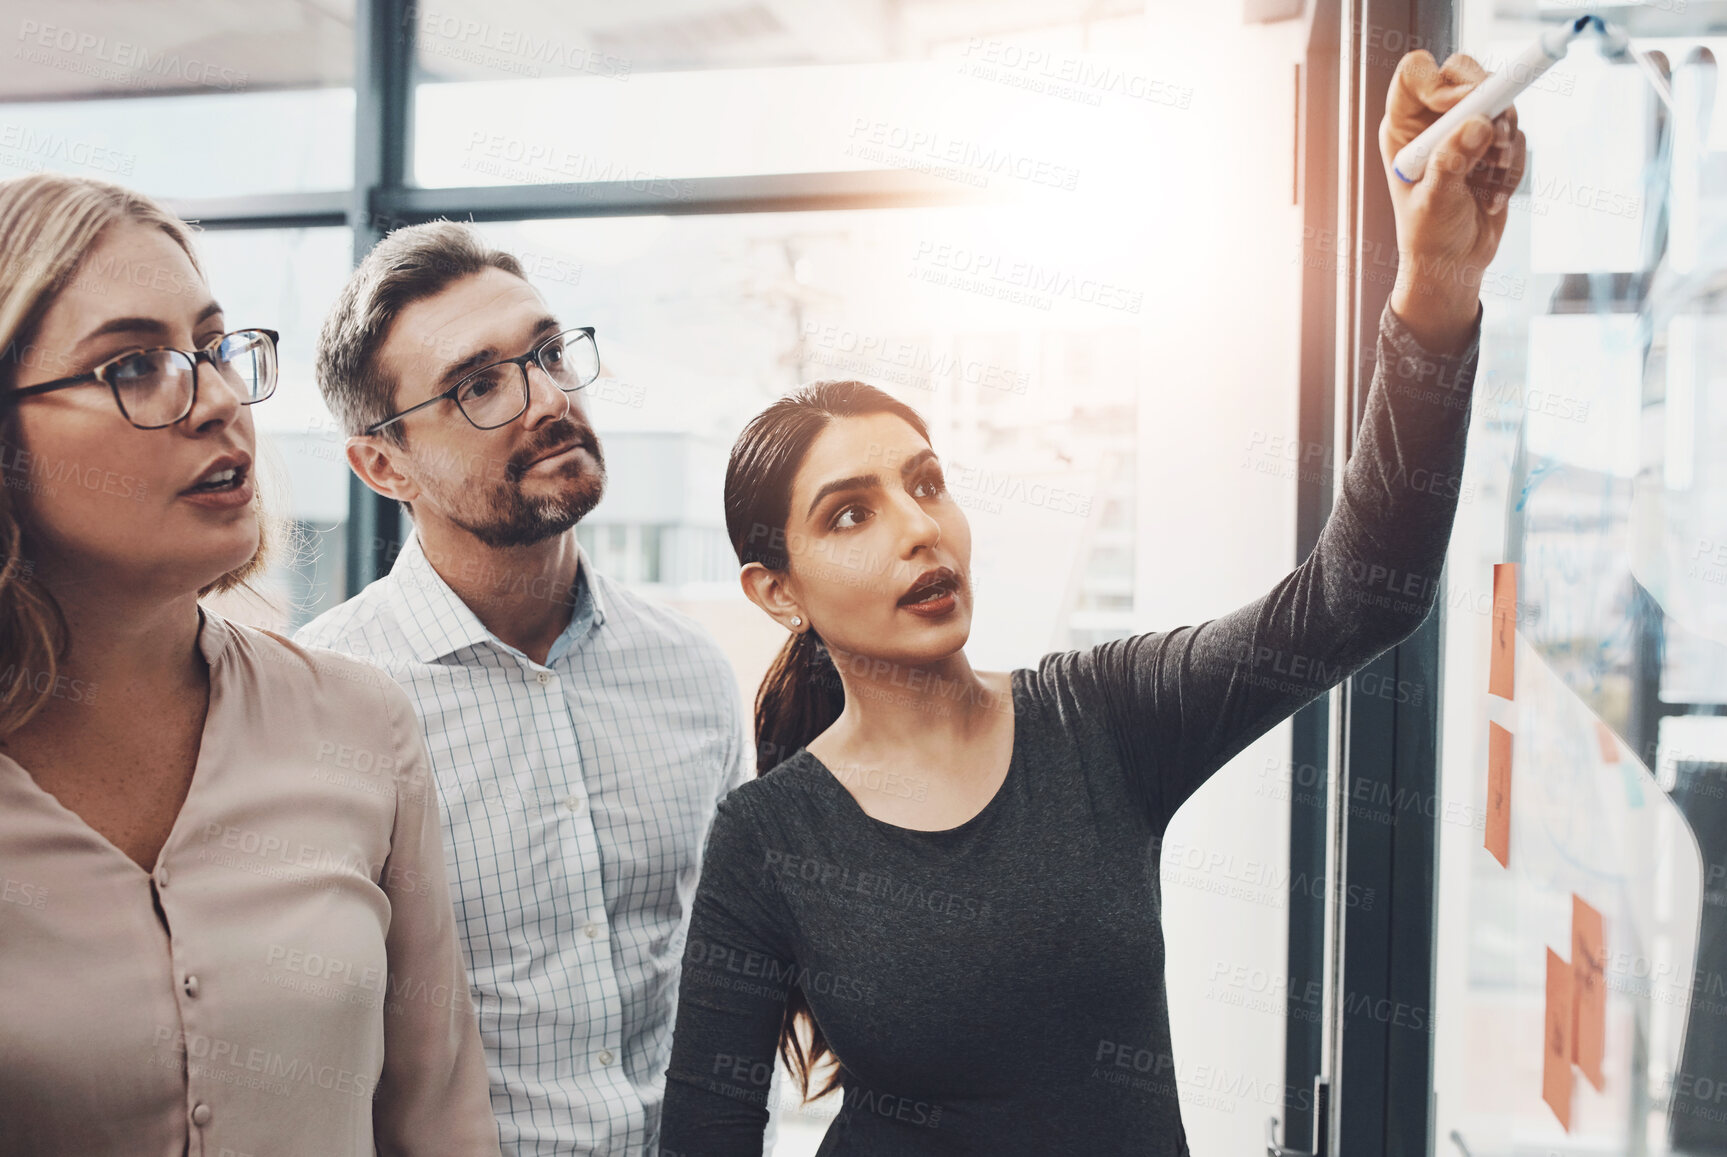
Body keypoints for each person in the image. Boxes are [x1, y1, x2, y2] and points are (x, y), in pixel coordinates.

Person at [659, 49, 1527, 1155]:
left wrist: (1436, 285)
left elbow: (1362, 593)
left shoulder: (1099, 720)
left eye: (925, 482)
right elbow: (703, 1137)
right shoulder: (768, 837)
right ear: (774, 592)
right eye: (849, 513)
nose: (919, 525)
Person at [0, 173, 499, 1156]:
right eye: (137, 365)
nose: (221, 401)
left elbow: (440, 1121)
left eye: (215, 349)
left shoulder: (360, 724)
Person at [294, 221, 754, 1155]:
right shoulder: (316, 706)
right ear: (384, 465)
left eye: (547, 354)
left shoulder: (690, 672)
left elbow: (721, 987)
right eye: (478, 384)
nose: (545, 397)